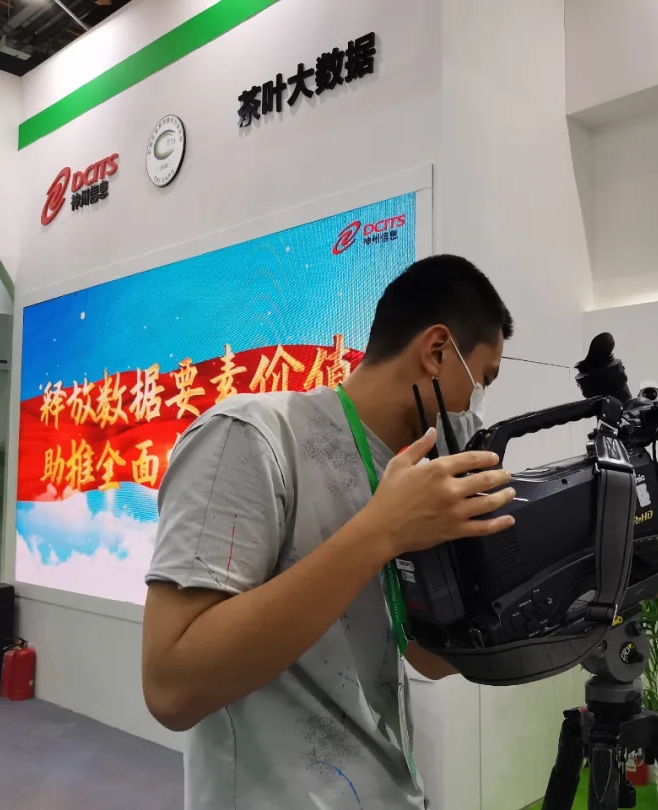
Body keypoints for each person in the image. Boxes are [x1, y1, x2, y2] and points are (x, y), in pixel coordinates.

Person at [141, 254, 517, 810]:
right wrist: (381, 533)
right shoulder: (249, 436)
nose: (476, 408)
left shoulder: (413, 476)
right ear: (437, 351)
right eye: (482, 381)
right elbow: (171, 688)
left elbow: (424, 656)